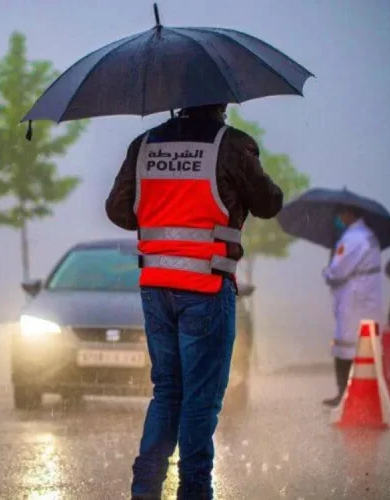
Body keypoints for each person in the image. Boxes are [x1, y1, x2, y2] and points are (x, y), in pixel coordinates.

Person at [105, 103, 283, 499]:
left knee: (167, 392)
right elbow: (269, 203)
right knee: (200, 400)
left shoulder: (144, 145)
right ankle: (195, 491)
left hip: (156, 290)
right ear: (220, 102)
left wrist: (162, 205)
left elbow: (118, 210)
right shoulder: (232, 145)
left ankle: (144, 490)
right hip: (206, 289)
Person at [321, 206, 382, 407]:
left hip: (353, 299)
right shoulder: (368, 235)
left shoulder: (353, 239)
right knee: (364, 347)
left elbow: (337, 271)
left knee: (344, 346)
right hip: (365, 297)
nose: (339, 218)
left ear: (350, 214)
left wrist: (327, 272)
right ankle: (362, 394)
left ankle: (344, 395)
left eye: (341, 214)